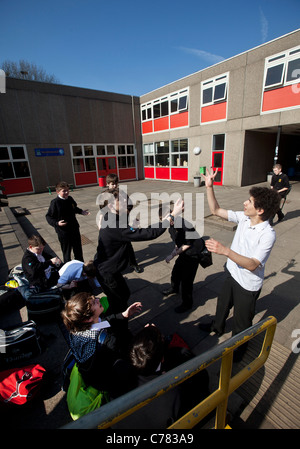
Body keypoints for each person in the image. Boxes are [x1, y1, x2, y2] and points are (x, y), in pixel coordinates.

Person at [198, 167, 280, 344]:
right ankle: (216, 327)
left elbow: (252, 264)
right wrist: (209, 187)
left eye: (249, 201)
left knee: (242, 322)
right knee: (222, 305)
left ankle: (239, 348)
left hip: (248, 284)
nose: (245, 203)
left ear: (260, 210)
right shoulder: (243, 217)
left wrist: (224, 250)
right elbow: (216, 210)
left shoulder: (267, 234)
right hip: (231, 273)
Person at [94, 188, 184, 314]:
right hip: (107, 271)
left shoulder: (110, 216)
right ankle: (117, 324)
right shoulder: (114, 223)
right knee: (118, 302)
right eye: (122, 199)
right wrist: (171, 216)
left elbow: (122, 228)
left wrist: (131, 227)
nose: (127, 200)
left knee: (125, 293)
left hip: (108, 267)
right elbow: (149, 233)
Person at [114, 324, 210, 429]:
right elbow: (203, 378)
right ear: (162, 359)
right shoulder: (172, 395)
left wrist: (148, 337)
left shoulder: (119, 369)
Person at [61, 291, 142, 398]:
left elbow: (102, 322)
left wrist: (123, 315)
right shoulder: (106, 341)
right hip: (109, 380)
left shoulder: (75, 330)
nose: (98, 300)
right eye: (95, 303)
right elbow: (124, 355)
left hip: (91, 376)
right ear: (88, 319)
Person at [163, 215, 205, 313]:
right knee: (176, 272)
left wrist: (172, 255)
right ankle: (174, 288)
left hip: (193, 254)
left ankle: (187, 304)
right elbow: (177, 243)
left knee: (187, 281)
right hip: (184, 253)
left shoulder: (185, 225)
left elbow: (188, 244)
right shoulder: (171, 228)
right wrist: (173, 252)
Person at [105, 174, 143, 274]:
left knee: (127, 243)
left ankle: (133, 263)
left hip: (123, 221)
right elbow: (103, 209)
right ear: (107, 184)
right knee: (114, 246)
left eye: (116, 183)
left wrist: (127, 211)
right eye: (112, 184)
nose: (114, 186)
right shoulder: (105, 194)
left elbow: (130, 203)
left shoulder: (121, 193)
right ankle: (118, 263)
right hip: (112, 222)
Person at [45, 181, 90, 263]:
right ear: (58, 192)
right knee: (67, 252)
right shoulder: (55, 202)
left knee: (78, 250)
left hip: (74, 229)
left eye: (67, 190)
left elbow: (74, 208)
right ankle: (68, 266)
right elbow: (48, 216)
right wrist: (57, 223)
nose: (66, 192)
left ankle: (80, 266)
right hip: (63, 232)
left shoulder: (70, 199)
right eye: (63, 191)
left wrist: (81, 212)